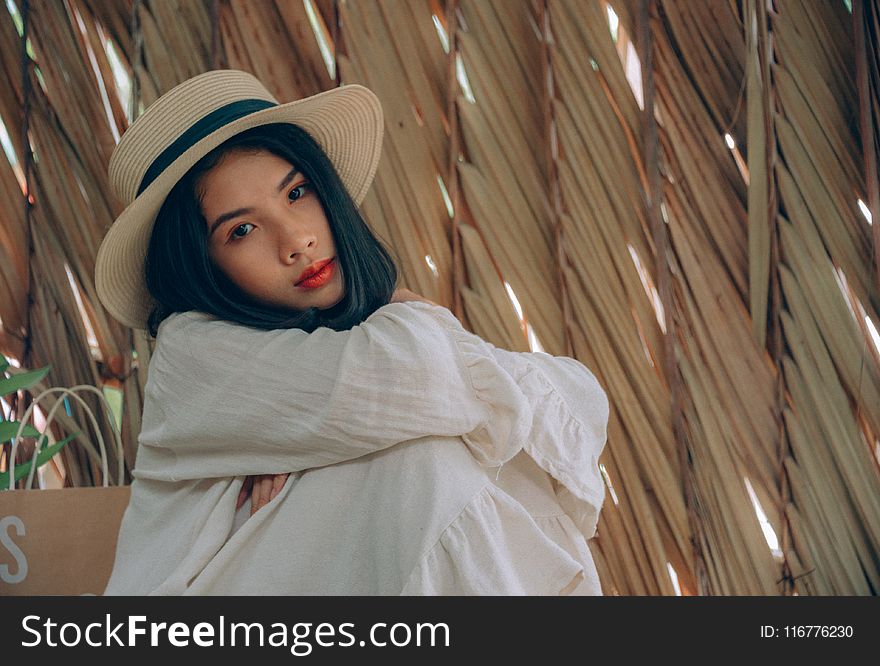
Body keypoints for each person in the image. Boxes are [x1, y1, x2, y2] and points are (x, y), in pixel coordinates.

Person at [96, 69, 609, 595]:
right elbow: (423, 378)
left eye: (297, 192)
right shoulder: (191, 354)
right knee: (419, 458)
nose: (296, 240)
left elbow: (580, 398)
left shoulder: (350, 342)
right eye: (241, 230)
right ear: (199, 267)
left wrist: (324, 444)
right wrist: (410, 314)